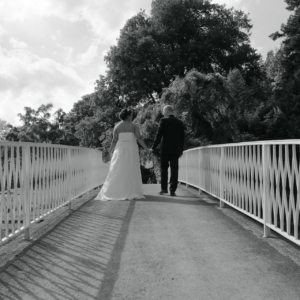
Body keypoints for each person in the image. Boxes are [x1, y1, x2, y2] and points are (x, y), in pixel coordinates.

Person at [95, 108, 149, 201]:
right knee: (131, 168)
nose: (132, 116)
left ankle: (116, 191)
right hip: (131, 149)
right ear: (128, 116)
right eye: (131, 115)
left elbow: (114, 140)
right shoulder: (134, 126)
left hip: (120, 149)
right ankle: (131, 191)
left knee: (118, 168)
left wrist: (110, 151)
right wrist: (146, 148)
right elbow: (139, 138)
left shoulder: (117, 126)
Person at [151, 105, 185, 196]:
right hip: (175, 149)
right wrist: (181, 150)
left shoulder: (163, 121)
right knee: (174, 169)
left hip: (165, 149)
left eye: (163, 110)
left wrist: (153, 147)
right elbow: (182, 138)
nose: (163, 112)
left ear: (166, 111)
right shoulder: (179, 122)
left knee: (164, 168)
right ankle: (173, 190)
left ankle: (164, 189)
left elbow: (159, 135)